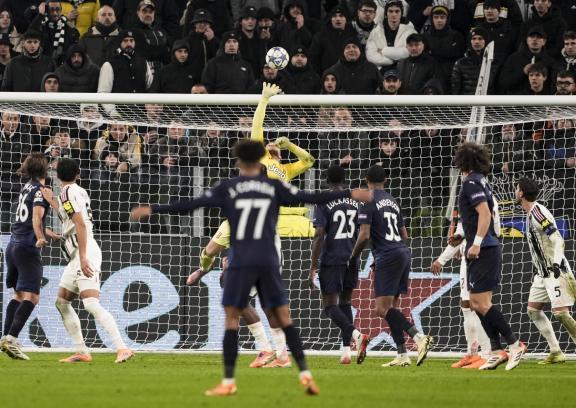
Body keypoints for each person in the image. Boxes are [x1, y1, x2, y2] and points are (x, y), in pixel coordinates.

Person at [130, 138, 374, 396]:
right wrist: (349, 194)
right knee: (283, 318)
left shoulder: (229, 188)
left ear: (238, 161)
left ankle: (228, 381)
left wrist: (153, 208)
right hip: (268, 259)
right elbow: (310, 196)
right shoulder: (273, 187)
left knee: (232, 317)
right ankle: (306, 377)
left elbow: (191, 205)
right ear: (260, 159)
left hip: (243, 260)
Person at [187, 82, 315, 282]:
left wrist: (290, 145)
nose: (273, 143)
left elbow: (309, 161)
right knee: (210, 250)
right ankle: (206, 269)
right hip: (243, 213)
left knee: (310, 229)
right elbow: (257, 126)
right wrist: (264, 99)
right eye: (269, 143)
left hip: (270, 217)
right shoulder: (259, 156)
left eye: (276, 144)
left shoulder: (285, 170)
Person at [52, 157, 135, 363]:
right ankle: (82, 351)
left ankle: (122, 348)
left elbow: (80, 224)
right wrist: (52, 202)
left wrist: (82, 257)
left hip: (84, 251)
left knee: (90, 303)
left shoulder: (66, 193)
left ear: (57, 175)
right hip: (78, 253)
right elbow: (71, 216)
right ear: (78, 175)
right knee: (62, 302)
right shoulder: (79, 191)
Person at [349, 165, 433, 367]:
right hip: (402, 252)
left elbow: (364, 235)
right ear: (385, 180)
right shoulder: (392, 201)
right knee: (392, 307)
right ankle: (402, 354)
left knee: (381, 309)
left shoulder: (367, 200)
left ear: (366, 180)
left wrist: (352, 258)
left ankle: (419, 337)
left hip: (387, 255)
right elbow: (405, 234)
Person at [454, 142, 526, 370]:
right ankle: (496, 351)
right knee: (477, 304)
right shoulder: (481, 180)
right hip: (485, 247)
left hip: (484, 248)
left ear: (462, 161)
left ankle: (515, 344)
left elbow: (484, 214)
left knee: (480, 303)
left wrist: (475, 243)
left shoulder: (471, 183)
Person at [515, 176, 576, 365]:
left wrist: (556, 264)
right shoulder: (530, 213)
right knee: (533, 310)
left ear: (521, 193)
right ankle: (556, 351)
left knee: (561, 313)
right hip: (542, 274)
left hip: (556, 271)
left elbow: (557, 239)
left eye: (516, 188)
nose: (515, 192)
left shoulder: (538, 213)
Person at [308, 165, 370, 365]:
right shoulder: (355, 199)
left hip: (332, 258)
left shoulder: (324, 200)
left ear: (327, 180)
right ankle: (346, 352)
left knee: (329, 306)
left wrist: (312, 266)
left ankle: (357, 335)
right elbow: (363, 229)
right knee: (345, 303)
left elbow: (319, 234)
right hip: (352, 257)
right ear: (344, 180)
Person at [0, 153, 59, 360]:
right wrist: (41, 237)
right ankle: (11, 339)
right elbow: (36, 218)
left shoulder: (27, 186)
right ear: (44, 170)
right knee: (32, 297)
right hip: (27, 247)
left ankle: (6, 337)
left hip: (13, 245)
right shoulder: (42, 190)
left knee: (18, 295)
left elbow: (29, 220)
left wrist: (50, 234)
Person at [431, 219, 491, 369]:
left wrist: (441, 260)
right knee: (466, 305)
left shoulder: (480, 206)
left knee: (477, 304)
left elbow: (485, 228)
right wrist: (461, 243)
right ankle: (472, 353)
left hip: (478, 256)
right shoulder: (464, 207)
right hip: (467, 257)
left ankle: (487, 354)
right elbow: (460, 235)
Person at [365, 0, 416, 69]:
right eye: (390, 11)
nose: (394, 14)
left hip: (404, 69)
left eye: (397, 11)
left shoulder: (410, 30)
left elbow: (409, 51)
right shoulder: (376, 31)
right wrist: (393, 61)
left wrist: (384, 51)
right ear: (386, 13)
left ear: (401, 13)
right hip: (381, 69)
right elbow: (370, 56)